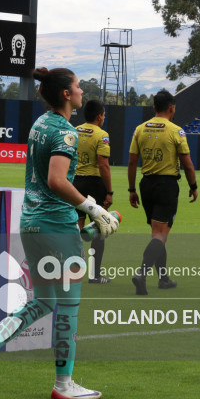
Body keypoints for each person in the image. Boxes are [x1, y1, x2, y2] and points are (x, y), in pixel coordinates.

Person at [0, 67, 119, 399]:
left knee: (44, 301)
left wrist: (91, 213)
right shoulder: (66, 131)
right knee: (69, 305)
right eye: (78, 86)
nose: (81, 90)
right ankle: (63, 385)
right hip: (56, 225)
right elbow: (56, 180)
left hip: (31, 223)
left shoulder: (40, 123)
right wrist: (94, 211)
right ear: (66, 93)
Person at [127, 90, 197, 295]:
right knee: (160, 234)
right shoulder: (176, 131)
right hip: (166, 186)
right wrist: (193, 186)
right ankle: (141, 273)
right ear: (172, 107)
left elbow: (132, 161)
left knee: (157, 232)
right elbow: (188, 164)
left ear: (154, 108)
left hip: (145, 185)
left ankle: (163, 278)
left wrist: (131, 189)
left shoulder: (139, 129)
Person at [74, 99, 113, 284]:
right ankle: (95, 275)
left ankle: (72, 271)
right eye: (104, 115)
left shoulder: (75, 130)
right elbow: (103, 164)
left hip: (75, 184)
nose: (104, 118)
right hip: (95, 184)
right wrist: (110, 191)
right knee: (99, 227)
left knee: (76, 228)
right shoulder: (102, 134)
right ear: (99, 116)